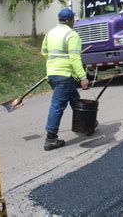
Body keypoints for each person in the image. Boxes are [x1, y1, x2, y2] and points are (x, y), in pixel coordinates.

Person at [41, 8, 90, 151]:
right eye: (73, 19)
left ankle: (87, 124)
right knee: (57, 106)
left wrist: (54, 65)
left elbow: (44, 53)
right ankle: (51, 139)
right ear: (69, 20)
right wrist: (82, 77)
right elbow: (75, 58)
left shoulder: (50, 33)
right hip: (63, 76)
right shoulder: (72, 35)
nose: (74, 22)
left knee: (75, 100)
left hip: (52, 75)